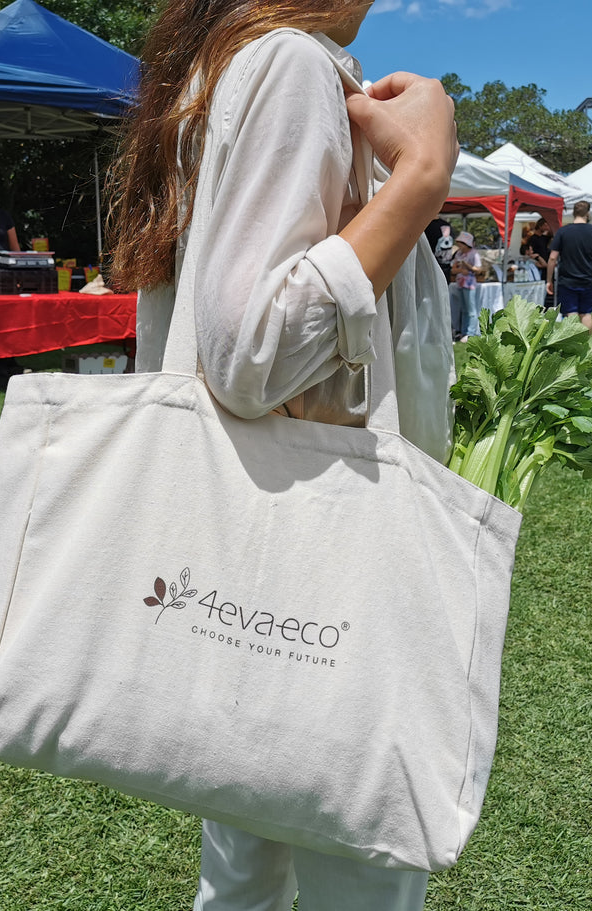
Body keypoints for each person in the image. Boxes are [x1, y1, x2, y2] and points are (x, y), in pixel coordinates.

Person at [107, 1, 459, 907]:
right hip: (334, 561)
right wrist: (417, 180)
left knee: (244, 866)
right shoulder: (292, 65)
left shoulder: (221, 67)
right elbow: (248, 350)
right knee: (364, 869)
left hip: (249, 552)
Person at [547, 200, 592, 332]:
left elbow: (552, 257)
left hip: (567, 280)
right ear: (588, 213)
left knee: (571, 313)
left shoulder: (563, 232)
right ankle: (585, 344)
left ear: (573, 213)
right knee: (586, 313)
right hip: (588, 280)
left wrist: (549, 280)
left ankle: (571, 344)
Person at [449, 230, 482, 341]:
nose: (459, 246)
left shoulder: (474, 254)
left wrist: (466, 265)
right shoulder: (458, 254)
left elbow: (478, 269)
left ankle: (470, 332)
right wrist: (460, 270)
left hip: (470, 285)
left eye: (461, 243)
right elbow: (453, 269)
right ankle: (463, 332)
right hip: (460, 283)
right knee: (464, 309)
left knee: (471, 309)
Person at [521, 217, 553, 307]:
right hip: (537, 265)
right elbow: (530, 252)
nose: (547, 227)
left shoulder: (544, 238)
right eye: (545, 225)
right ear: (540, 226)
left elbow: (553, 233)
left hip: (546, 264)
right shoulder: (533, 239)